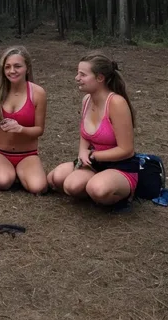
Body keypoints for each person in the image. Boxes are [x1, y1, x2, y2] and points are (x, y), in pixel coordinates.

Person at [47, 52, 138, 205]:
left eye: (82, 74)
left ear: (100, 78)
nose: (77, 78)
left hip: (120, 166)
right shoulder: (87, 100)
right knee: (59, 180)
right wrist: (82, 151)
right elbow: (85, 134)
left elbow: (126, 150)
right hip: (93, 163)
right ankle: (93, 186)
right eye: (77, 74)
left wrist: (93, 155)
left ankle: (122, 194)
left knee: (97, 189)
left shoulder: (116, 103)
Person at [0, 46, 48, 194]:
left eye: (17, 66)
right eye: (8, 67)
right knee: (3, 181)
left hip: (27, 153)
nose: (12, 71)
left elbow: (39, 130)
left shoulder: (38, 93)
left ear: (27, 68)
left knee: (38, 188)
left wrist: (21, 129)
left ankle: (20, 172)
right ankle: (0, 169)